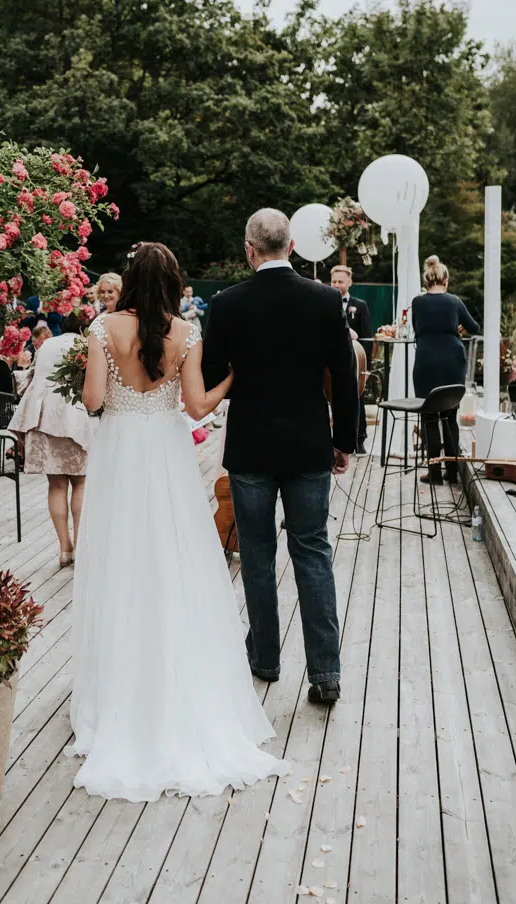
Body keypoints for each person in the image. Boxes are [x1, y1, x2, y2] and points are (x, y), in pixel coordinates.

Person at [68, 241, 290, 802]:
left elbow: (93, 399)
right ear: (171, 283)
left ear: (130, 279)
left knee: (118, 560)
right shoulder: (185, 333)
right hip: (164, 454)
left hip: (119, 451)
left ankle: (116, 689)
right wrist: (231, 381)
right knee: (173, 558)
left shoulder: (102, 327)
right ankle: (175, 678)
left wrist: (110, 386)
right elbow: (196, 407)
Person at [202, 209, 358, 706]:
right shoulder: (325, 300)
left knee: (257, 553)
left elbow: (209, 376)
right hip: (309, 445)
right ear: (290, 247)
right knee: (313, 551)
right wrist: (345, 441)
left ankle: (264, 658)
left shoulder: (226, 304)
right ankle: (326, 672)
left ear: (250, 249)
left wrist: (241, 379)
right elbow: (346, 376)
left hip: (251, 446)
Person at [9, 314, 97, 567]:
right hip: (70, 417)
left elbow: (33, 376)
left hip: (39, 416)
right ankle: (80, 548)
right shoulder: (84, 345)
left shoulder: (47, 344)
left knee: (56, 484)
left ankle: (64, 549)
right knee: (80, 482)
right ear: (83, 329)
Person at [412, 255, 480, 484]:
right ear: (446, 280)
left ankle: (434, 472)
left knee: (430, 417)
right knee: (450, 416)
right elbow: (474, 327)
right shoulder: (455, 302)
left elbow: (418, 329)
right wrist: (456, 327)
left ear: (427, 280)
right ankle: (452, 473)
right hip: (452, 358)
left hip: (426, 359)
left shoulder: (418, 302)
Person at [330, 265, 373, 454]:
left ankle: (360, 438)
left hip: (356, 360)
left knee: (358, 399)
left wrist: (366, 366)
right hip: (330, 362)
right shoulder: (326, 303)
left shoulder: (360, 305)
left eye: (341, 281)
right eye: (334, 281)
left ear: (350, 282)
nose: (337, 285)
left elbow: (367, 337)